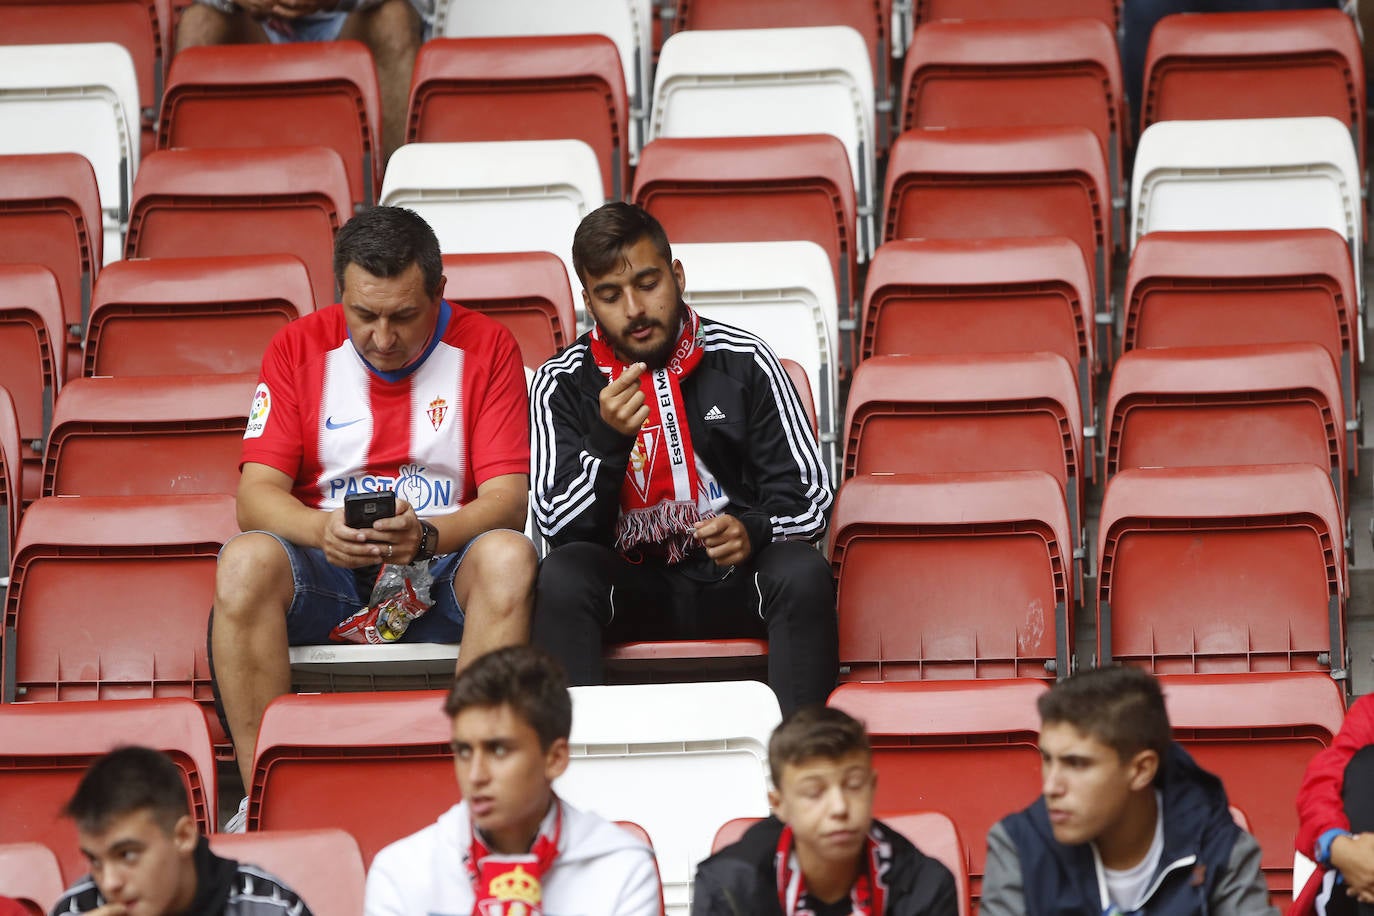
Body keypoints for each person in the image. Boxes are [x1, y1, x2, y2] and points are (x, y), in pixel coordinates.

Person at [212, 205, 536, 826]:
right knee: (244, 560)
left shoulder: (487, 345)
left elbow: (507, 502)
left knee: (509, 558)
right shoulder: (296, 346)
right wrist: (321, 532)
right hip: (328, 573)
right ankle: (265, 805)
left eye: (404, 316)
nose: (382, 337)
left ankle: (474, 807)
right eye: (364, 315)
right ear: (340, 294)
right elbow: (254, 497)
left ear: (439, 293)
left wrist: (429, 537)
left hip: (441, 568)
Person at [529, 202, 838, 715]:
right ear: (587, 302)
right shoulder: (561, 383)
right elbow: (557, 526)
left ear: (677, 275)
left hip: (736, 582)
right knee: (561, 578)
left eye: (648, 283)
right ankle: (577, 771)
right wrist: (606, 443)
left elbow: (810, 498)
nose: (633, 309)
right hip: (630, 587)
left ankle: (803, 768)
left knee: (802, 572)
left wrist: (752, 529)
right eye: (610, 295)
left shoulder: (745, 359)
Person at [364, 645, 662, 915]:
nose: (476, 775)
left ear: (555, 758)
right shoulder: (401, 871)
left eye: (499, 750)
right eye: (464, 751)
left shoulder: (621, 867)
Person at [981, 666, 1274, 916]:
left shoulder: (1220, 848)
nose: (1051, 787)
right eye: (1047, 759)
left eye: (1077, 764)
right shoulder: (1018, 847)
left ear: (1141, 770)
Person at [693, 706, 958, 916]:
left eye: (853, 786)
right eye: (814, 793)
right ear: (779, 805)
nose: (839, 808)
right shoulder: (729, 887)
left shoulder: (927, 886)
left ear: (872, 787)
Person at [50, 746, 311, 916]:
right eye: (95, 860)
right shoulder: (76, 909)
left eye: (127, 855)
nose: (109, 883)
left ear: (184, 836)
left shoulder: (268, 906)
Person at [174, 0, 427, 159]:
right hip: (253, 25)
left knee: (395, 20)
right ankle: (187, 188)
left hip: (352, 22)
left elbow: (424, 7)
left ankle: (401, 193)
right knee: (199, 23)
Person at [1294, 693, 1374, 916]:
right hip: (1352, 895)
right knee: (1366, 763)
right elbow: (1323, 784)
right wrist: (1339, 846)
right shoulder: (1371, 711)